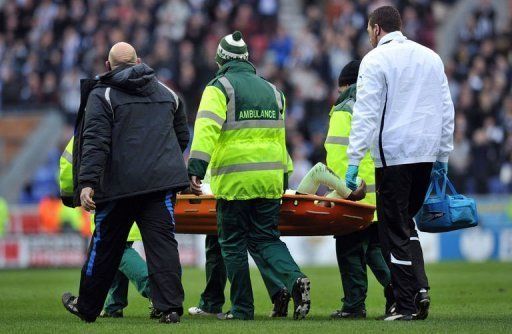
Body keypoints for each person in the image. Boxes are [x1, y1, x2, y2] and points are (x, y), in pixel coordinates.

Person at [61, 42, 190, 324]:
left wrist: (87, 183)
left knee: (105, 248)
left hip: (117, 188)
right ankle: (169, 308)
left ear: (108, 66)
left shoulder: (102, 94)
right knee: (163, 246)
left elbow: (95, 142)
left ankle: (87, 307)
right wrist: (160, 163)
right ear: (139, 61)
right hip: (159, 186)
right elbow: (181, 137)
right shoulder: (167, 92)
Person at [188, 31, 310, 321]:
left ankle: (242, 309)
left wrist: (195, 169)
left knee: (231, 244)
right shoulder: (273, 90)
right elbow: (281, 139)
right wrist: (283, 176)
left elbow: (206, 131)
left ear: (221, 60)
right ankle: (294, 279)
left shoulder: (219, 87)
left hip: (235, 181)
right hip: (269, 179)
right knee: (267, 240)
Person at [345, 6, 455, 321]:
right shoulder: (431, 57)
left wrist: (353, 162)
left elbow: (365, 114)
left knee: (393, 231)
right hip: (426, 154)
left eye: (368, 30)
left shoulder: (375, 60)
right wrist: (443, 156)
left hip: (393, 157)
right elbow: (446, 109)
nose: (368, 35)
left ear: (377, 29)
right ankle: (419, 290)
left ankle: (406, 306)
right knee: (405, 224)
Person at [321, 60, 394, 319]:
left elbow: (339, 156)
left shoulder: (345, 108)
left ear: (349, 84)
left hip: (354, 195)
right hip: (378, 194)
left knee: (349, 249)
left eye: (341, 89)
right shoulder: (380, 103)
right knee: (374, 249)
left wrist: (342, 189)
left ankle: (354, 305)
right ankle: (400, 294)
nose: (338, 95)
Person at [59, 138, 154, 319]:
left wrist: (69, 194)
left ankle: (154, 290)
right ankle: (114, 305)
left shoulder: (89, 130)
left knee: (115, 249)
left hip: (110, 199)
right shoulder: (127, 122)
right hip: (137, 194)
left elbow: (67, 164)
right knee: (116, 250)